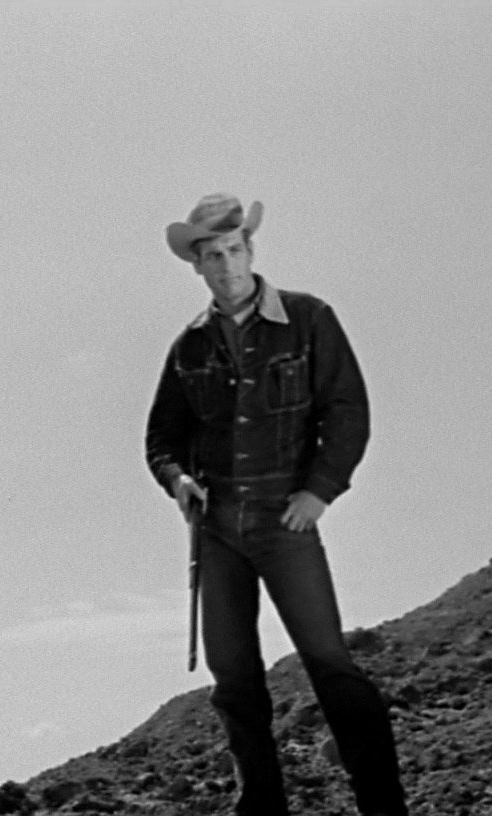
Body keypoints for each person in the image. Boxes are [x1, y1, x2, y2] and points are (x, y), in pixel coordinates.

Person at [144, 194, 408, 816]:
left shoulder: (309, 319)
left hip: (285, 522)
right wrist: (179, 482)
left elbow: (347, 411)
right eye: (213, 256)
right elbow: (161, 440)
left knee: (329, 663)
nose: (227, 266)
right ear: (197, 266)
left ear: (251, 251)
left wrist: (320, 491)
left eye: (234, 251)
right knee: (234, 679)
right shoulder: (189, 348)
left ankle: (384, 806)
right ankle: (260, 806)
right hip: (217, 531)